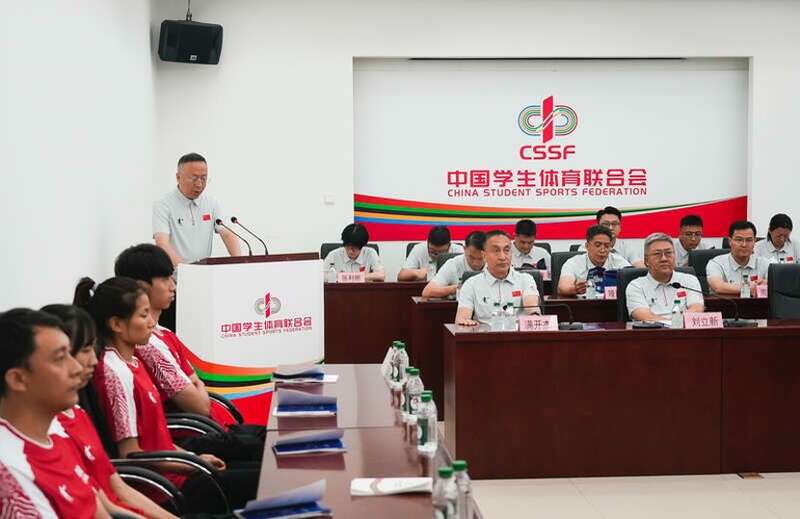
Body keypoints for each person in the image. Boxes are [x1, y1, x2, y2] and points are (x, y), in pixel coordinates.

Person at [74, 276, 259, 510]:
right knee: (263, 480)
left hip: (180, 469)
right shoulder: (114, 374)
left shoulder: (132, 361)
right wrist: (192, 464)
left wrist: (194, 458)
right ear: (117, 324)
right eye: (144, 315)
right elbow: (131, 453)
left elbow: (158, 440)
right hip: (165, 491)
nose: (152, 322)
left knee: (263, 469)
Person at [114, 244, 264, 462]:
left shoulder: (165, 333)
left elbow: (195, 382)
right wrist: (196, 387)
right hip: (193, 436)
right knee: (269, 448)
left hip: (211, 426)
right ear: (141, 286)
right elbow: (199, 404)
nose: (173, 286)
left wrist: (196, 386)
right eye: (165, 279)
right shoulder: (147, 346)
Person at [41, 304, 177, 519]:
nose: (93, 361)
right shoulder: (48, 436)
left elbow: (113, 491)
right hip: (160, 487)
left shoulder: (78, 414)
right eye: (84, 350)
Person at [0, 308, 112, 518]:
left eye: (71, 353)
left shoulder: (56, 437)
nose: (76, 368)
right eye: (60, 358)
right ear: (18, 379)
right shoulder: (10, 475)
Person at [153, 153, 242, 330]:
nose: (199, 184)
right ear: (178, 177)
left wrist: (239, 263)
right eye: (194, 178)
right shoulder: (163, 205)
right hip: (175, 285)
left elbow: (227, 233)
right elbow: (162, 243)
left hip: (203, 283)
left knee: (202, 331)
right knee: (177, 331)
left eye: (204, 178)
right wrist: (188, 273)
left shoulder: (212, 203)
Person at [455, 230, 540, 326]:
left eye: (506, 250)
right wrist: (465, 321)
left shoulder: (525, 279)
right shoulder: (471, 284)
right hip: (485, 334)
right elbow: (462, 318)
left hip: (518, 333)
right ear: (484, 255)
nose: (502, 257)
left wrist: (534, 313)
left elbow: (531, 305)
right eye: (496, 251)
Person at [625, 233, 704, 321]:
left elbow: (697, 308)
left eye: (668, 253)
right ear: (646, 260)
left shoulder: (689, 280)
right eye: (657, 254)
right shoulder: (636, 286)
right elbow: (645, 316)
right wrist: (675, 323)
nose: (664, 259)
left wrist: (676, 324)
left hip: (684, 329)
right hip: (653, 329)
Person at [558, 225, 632, 297]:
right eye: (597, 245)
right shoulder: (574, 263)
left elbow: (633, 280)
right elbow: (563, 287)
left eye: (607, 246)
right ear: (587, 246)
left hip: (612, 304)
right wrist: (575, 289)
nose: (602, 250)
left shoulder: (618, 261)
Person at [707, 220, 769, 296]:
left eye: (749, 240)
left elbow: (776, 286)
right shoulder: (716, 263)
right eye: (739, 240)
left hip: (758, 303)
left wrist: (766, 284)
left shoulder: (764, 263)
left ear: (754, 242)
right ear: (730, 241)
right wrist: (749, 288)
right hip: (725, 303)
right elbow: (718, 287)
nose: (744, 245)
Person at [422, 231, 486, 299]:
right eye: (471, 257)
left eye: (480, 258)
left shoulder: (493, 264)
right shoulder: (453, 264)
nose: (475, 263)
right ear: (464, 249)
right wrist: (457, 288)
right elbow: (427, 292)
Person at [579, 206, 644, 267]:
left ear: (620, 227)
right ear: (598, 226)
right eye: (606, 224)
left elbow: (638, 264)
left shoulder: (626, 247)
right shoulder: (586, 247)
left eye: (614, 224)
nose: (610, 228)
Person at [398, 225, 464, 281]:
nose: (437, 256)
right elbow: (401, 276)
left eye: (441, 253)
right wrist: (416, 273)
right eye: (433, 252)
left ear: (449, 245)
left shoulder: (459, 251)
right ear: (427, 242)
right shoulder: (419, 248)